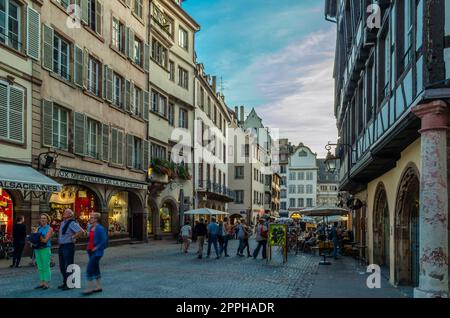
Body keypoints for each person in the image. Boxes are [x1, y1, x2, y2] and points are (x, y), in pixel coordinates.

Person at [58, 209, 84, 290]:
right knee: (62, 266)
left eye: (66, 212)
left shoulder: (72, 223)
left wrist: (73, 237)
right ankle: (65, 282)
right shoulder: (63, 223)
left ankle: (70, 284)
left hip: (68, 246)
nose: (64, 213)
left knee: (68, 266)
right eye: (64, 212)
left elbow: (81, 231)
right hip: (61, 246)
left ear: (70, 215)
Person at [83, 212, 107, 296]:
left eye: (92, 217)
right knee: (96, 268)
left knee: (89, 268)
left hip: (97, 252)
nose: (90, 219)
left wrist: (97, 247)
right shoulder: (90, 227)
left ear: (96, 219)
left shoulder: (100, 228)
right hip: (90, 250)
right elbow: (90, 238)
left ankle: (89, 288)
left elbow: (104, 240)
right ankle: (98, 286)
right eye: (90, 217)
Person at [34, 213, 54, 290]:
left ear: (47, 220)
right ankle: (41, 282)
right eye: (41, 218)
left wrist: (38, 238)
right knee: (39, 266)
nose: (42, 219)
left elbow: (45, 240)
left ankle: (46, 283)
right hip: (37, 249)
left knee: (46, 266)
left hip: (45, 249)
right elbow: (35, 238)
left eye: (44, 218)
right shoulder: (38, 228)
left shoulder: (49, 229)